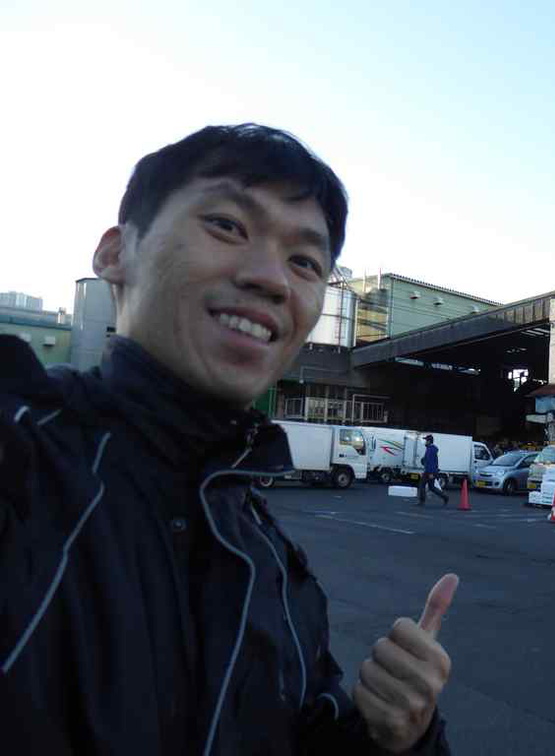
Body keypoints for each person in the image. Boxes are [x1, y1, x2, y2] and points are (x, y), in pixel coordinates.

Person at [0, 124, 455, 754]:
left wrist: (400, 737)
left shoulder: (275, 570)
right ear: (115, 254)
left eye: (305, 262)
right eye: (227, 225)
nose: (273, 279)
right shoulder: (21, 451)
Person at [418, 434, 449, 505]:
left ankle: (422, 501)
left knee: (422, 485)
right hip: (431, 471)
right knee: (431, 487)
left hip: (429, 471)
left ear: (429, 441)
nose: (425, 442)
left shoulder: (430, 450)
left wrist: (431, 473)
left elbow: (431, 462)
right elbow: (431, 460)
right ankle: (445, 497)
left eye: (426, 440)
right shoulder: (431, 449)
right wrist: (423, 460)